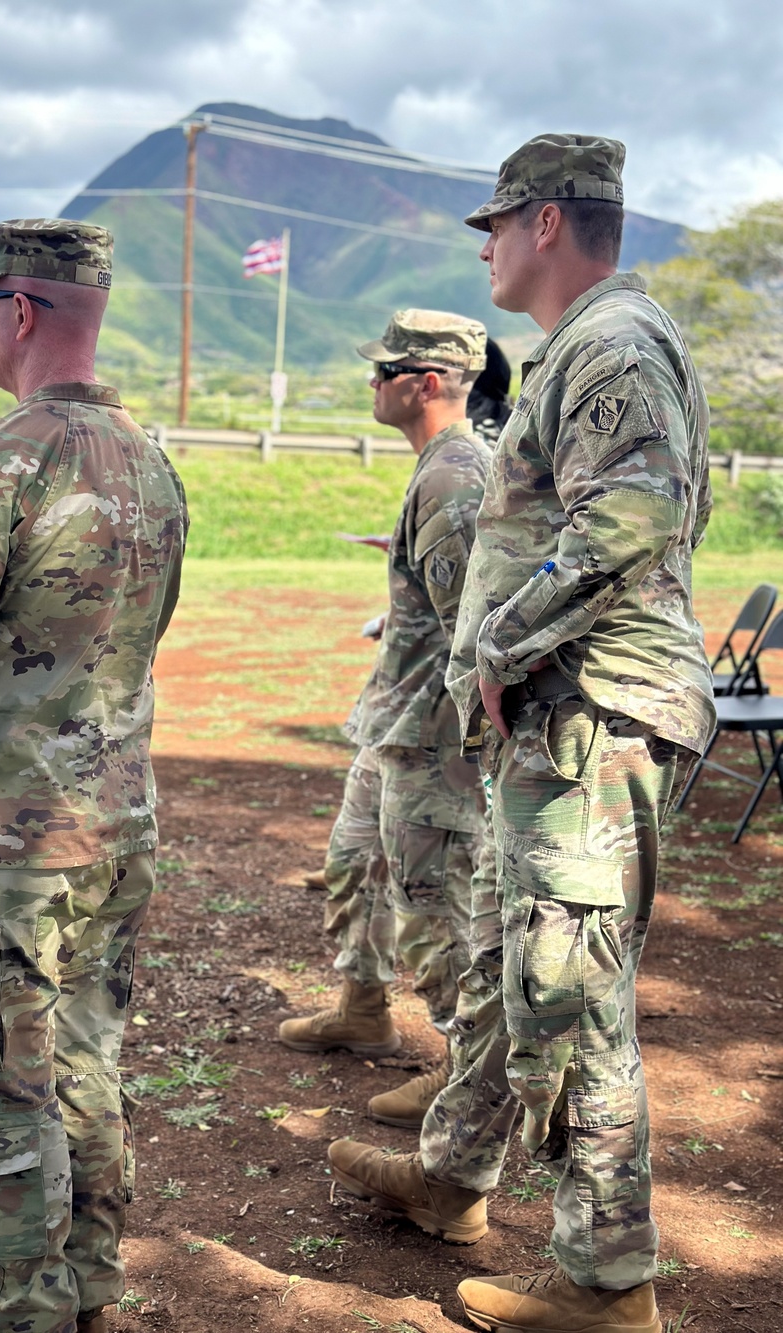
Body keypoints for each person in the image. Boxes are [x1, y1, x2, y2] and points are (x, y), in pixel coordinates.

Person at [328, 135, 714, 1333]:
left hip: (589, 723)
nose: (484, 246)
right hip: (558, 723)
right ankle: (453, 1178)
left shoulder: (608, 343)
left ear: (547, 223)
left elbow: (636, 513)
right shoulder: (581, 350)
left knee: (576, 999)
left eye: (493, 224)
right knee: (515, 973)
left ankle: (610, 1285)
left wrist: (499, 643)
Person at [0, 219, 188, 1333]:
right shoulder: (153, 464)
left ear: (18, 312)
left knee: (1, 1084)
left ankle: (25, 1310)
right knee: (85, 1061)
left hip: (6, 840)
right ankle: (93, 1287)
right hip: (115, 825)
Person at [278, 310, 492, 1130]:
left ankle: (464, 1072)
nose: (371, 384)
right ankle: (361, 1005)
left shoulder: (453, 476)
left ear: (425, 383)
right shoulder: (438, 469)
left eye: (382, 372)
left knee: (432, 910)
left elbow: (477, 631)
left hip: (431, 739)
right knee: (353, 864)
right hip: (395, 723)